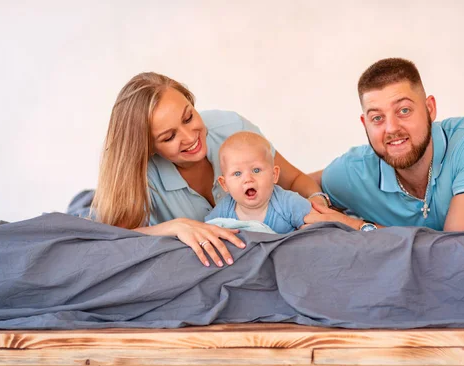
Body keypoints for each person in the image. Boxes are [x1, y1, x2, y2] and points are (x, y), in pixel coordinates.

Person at [90, 72, 325, 267]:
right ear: (149, 147)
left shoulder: (232, 128)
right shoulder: (140, 176)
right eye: (169, 136)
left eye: (188, 117)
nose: (190, 137)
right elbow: (115, 240)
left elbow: (294, 180)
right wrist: (174, 226)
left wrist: (318, 203)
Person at [306, 58, 464, 232]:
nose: (391, 128)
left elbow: (458, 251)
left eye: (404, 110)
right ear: (365, 124)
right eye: (377, 118)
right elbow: (297, 185)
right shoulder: (353, 170)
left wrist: (359, 226)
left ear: (429, 108)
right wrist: (318, 203)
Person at [205, 131, 312, 234]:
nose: (248, 179)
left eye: (256, 170)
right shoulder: (224, 211)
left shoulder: (288, 203)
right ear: (224, 184)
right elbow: (205, 231)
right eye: (237, 173)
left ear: (274, 175)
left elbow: (318, 224)